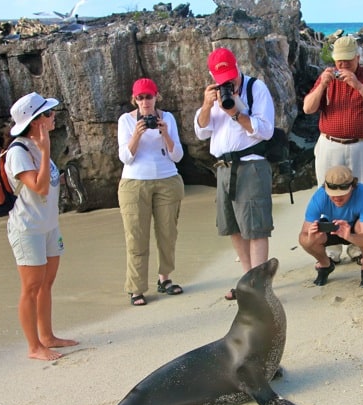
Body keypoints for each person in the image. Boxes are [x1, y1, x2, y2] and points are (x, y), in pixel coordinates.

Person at [194, 47, 275, 300]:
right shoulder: (215, 94)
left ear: (237, 66)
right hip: (224, 168)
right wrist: (208, 106)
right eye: (221, 80)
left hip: (251, 164)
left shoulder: (256, 89)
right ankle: (246, 280)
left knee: (256, 228)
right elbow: (200, 132)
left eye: (231, 76)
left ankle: (259, 287)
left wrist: (236, 113)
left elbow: (266, 130)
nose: (228, 83)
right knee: (234, 227)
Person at [303, 35, 363, 264]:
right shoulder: (327, 77)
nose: (343, 65)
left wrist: (358, 85)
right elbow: (308, 108)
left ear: (357, 58)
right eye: (339, 61)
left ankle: (357, 246)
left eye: (348, 61)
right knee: (330, 194)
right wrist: (322, 84)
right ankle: (332, 249)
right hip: (330, 143)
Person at [4, 92, 78, 360]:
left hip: (48, 226)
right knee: (31, 287)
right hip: (28, 229)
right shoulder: (19, 151)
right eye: (48, 113)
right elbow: (39, 186)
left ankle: (47, 336)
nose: (53, 116)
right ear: (36, 121)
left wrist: (44, 149)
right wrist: (46, 151)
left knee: (47, 282)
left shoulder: (38, 144)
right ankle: (34, 346)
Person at [117, 78, 185, 306]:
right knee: (136, 237)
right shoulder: (126, 121)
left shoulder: (168, 118)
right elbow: (125, 158)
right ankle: (136, 288)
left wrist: (165, 133)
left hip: (167, 179)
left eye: (149, 97)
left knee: (168, 233)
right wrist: (137, 135)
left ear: (156, 97)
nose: (145, 103)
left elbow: (177, 156)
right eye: (140, 98)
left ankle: (164, 279)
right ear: (134, 100)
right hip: (135, 183)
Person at [299, 166, 363, 287]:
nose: (337, 197)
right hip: (331, 227)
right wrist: (311, 238)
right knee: (308, 239)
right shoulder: (319, 197)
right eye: (332, 194)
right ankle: (325, 265)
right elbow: (303, 237)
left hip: (353, 228)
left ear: (352, 187)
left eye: (342, 194)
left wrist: (349, 236)